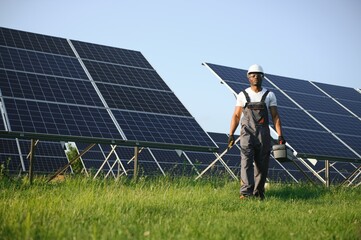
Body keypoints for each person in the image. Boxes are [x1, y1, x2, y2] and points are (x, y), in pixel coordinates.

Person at [227, 64, 285, 200]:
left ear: (263, 77)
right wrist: (231, 134)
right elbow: (236, 115)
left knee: (262, 164)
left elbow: (275, 116)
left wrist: (280, 135)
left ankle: (258, 193)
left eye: (258, 75)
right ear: (248, 78)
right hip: (246, 134)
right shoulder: (243, 95)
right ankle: (246, 193)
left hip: (263, 134)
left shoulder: (269, 95)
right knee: (245, 162)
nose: (255, 78)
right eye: (252, 75)